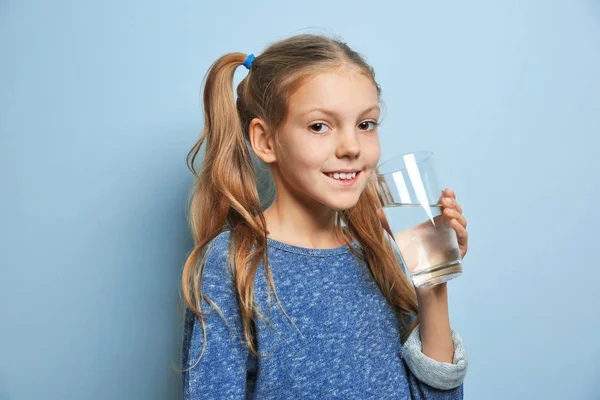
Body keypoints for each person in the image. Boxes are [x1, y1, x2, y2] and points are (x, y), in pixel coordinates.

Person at [179, 33, 470, 399]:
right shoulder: (233, 263)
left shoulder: (379, 250)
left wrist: (432, 281)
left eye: (365, 124)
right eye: (320, 126)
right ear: (266, 141)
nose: (351, 147)